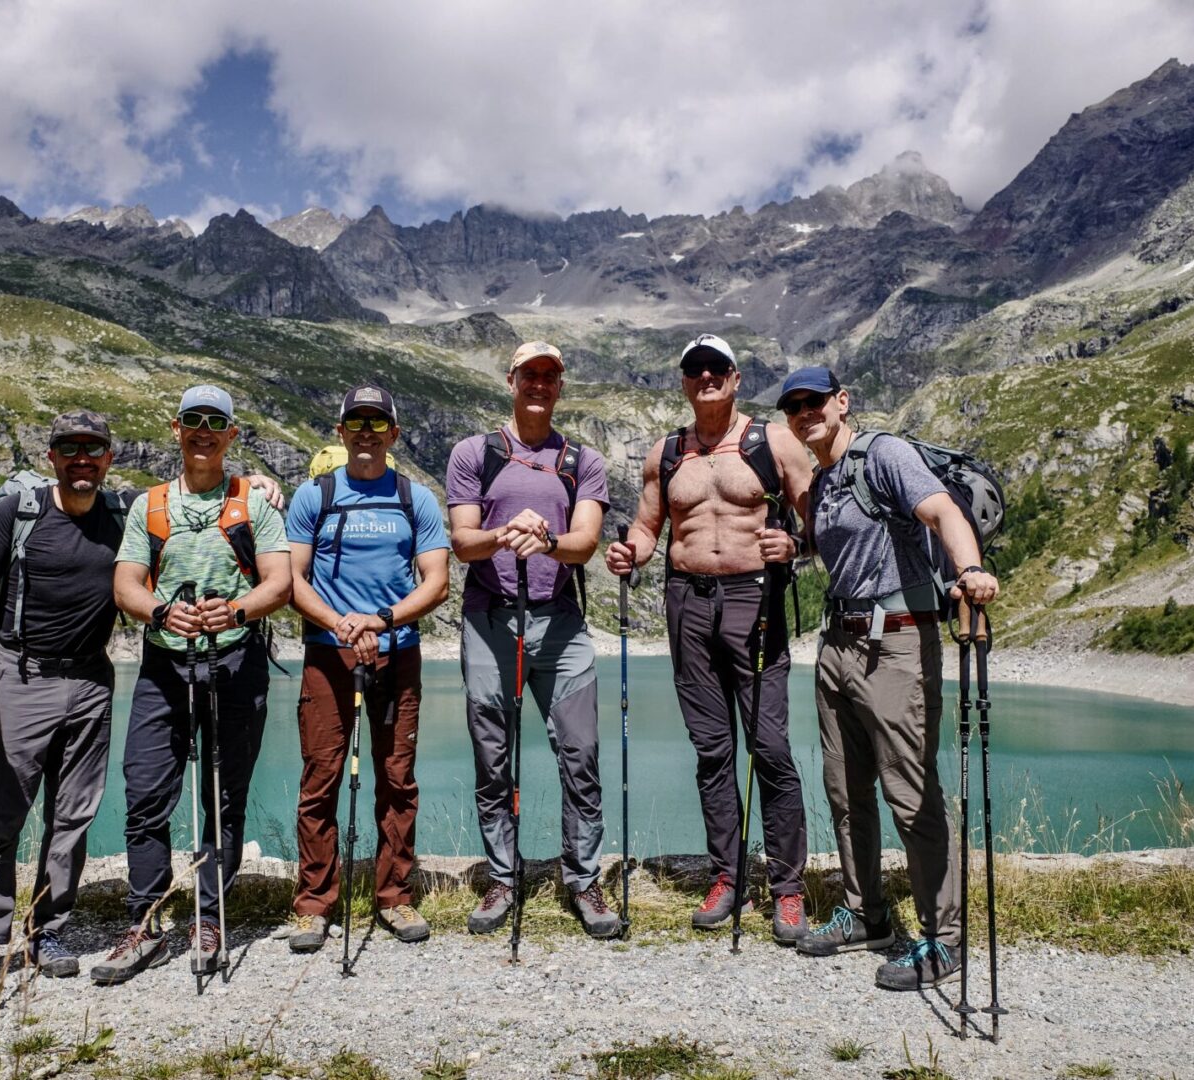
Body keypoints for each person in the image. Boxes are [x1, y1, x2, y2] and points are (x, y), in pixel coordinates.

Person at [775, 365, 998, 991]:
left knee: (910, 793)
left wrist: (971, 568)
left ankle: (943, 938)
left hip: (896, 644)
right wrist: (795, 550)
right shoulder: (823, 482)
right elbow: (840, 547)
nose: (804, 412)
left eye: (814, 400)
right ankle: (868, 914)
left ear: (841, 403)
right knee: (846, 792)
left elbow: (941, 512)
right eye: (793, 406)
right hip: (838, 647)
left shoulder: (886, 456)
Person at [606, 333, 811, 943]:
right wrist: (630, 554)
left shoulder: (773, 442)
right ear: (684, 380)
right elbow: (648, 526)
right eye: (694, 370)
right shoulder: (667, 452)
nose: (705, 378)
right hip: (687, 603)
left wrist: (796, 546)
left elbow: (816, 518)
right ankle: (727, 876)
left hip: (756, 601)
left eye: (716, 368)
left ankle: (788, 888)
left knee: (769, 748)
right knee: (712, 751)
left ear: (735, 376)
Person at [92, 384, 293, 985]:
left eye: (216, 423)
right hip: (164, 665)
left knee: (223, 797)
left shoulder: (254, 504)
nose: (203, 431)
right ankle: (145, 920)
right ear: (175, 430)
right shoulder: (149, 506)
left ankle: (210, 916)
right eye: (192, 421)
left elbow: (279, 583)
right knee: (147, 790)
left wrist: (235, 611)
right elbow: (126, 583)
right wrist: (158, 612)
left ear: (232, 436)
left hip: (235, 662)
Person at [446, 341, 620, 940]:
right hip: (490, 620)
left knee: (581, 754)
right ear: (511, 380)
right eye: (530, 375)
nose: (539, 384)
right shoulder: (475, 452)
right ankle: (502, 876)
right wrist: (505, 534)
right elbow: (463, 543)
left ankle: (583, 880)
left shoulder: (582, 460)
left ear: (559, 386)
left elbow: (586, 544)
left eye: (550, 376)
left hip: (561, 622)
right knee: (493, 755)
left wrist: (545, 541)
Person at [0, 410, 126, 991]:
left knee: (72, 817)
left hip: (92, 680)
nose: (82, 458)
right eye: (69, 448)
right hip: (21, 675)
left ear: (107, 458)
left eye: (92, 448)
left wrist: (253, 484)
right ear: (51, 456)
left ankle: (48, 929)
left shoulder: (122, 516)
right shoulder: (19, 512)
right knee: (3, 814)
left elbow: (189, 503)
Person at [284, 385, 450, 952]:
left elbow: (436, 582)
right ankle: (313, 905)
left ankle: (395, 898)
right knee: (320, 779)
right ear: (340, 430)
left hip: (397, 652)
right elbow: (293, 579)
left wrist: (379, 620)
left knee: (397, 779)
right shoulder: (315, 495)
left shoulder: (416, 499)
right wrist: (340, 624)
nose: (366, 432)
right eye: (355, 421)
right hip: (327, 656)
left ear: (393, 435)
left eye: (378, 423)